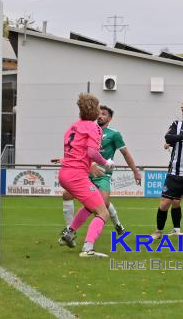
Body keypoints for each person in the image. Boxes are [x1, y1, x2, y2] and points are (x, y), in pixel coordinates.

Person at [58, 105, 141, 245]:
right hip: (86, 172)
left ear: (109, 118)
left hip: (103, 174)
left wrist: (135, 171)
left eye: (104, 114)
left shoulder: (114, 134)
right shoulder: (88, 129)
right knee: (68, 195)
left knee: (102, 203)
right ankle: (70, 230)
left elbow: (125, 153)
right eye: (99, 113)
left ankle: (117, 225)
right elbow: (79, 150)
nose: (100, 116)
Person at [58, 93, 115, 258]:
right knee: (103, 212)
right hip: (76, 175)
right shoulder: (94, 127)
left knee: (91, 206)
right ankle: (88, 249)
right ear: (95, 110)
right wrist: (106, 162)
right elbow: (91, 151)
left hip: (65, 173)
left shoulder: (73, 126)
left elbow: (77, 151)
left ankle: (69, 233)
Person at [152, 96, 183, 239]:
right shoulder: (177, 124)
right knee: (165, 203)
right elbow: (168, 138)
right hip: (176, 172)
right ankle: (158, 231)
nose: (182, 106)